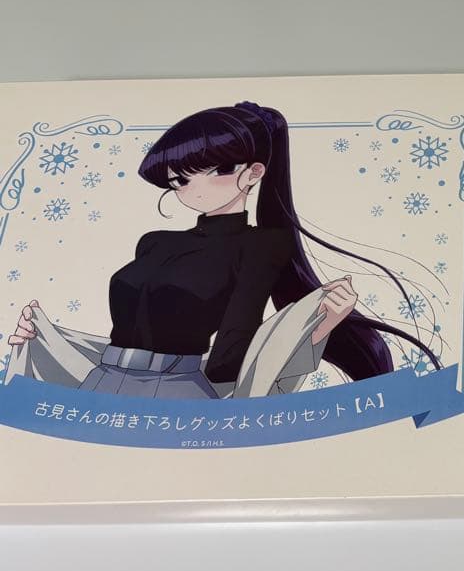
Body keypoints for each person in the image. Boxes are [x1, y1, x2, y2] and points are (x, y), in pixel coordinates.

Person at [7, 101, 439, 399]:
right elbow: (128, 329)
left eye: (196, 173)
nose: (184, 187)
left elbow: (232, 354)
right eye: (176, 179)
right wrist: (46, 338)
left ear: (252, 173)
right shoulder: (154, 241)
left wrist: (317, 325)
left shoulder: (261, 245)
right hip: (102, 380)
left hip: (176, 392)